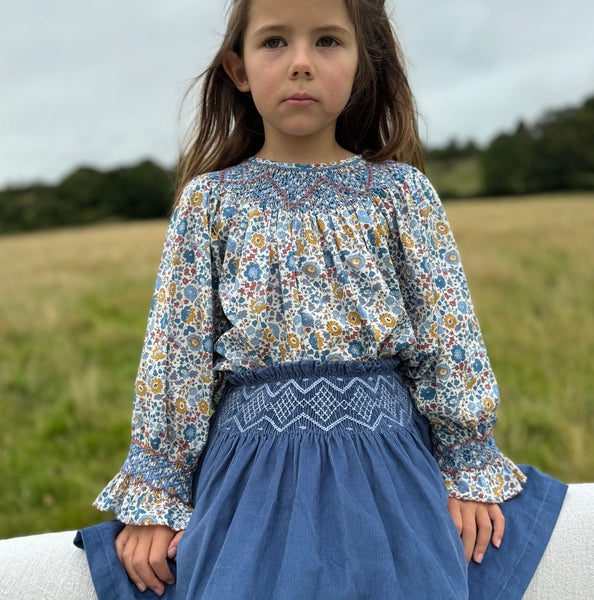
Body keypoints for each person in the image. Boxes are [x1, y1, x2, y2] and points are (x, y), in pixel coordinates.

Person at [72, 0, 568, 598]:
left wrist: (467, 463)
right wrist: (158, 491)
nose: (301, 63)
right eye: (275, 42)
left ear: (362, 64)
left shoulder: (399, 192)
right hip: (250, 475)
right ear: (238, 69)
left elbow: (448, 336)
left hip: (390, 467)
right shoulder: (211, 203)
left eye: (328, 41)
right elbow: (174, 359)